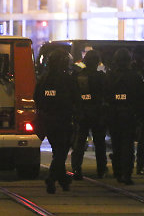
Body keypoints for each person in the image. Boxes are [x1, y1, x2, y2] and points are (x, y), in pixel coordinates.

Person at [34, 49, 80, 194]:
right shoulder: (67, 79)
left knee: (57, 151)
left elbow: (36, 97)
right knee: (61, 152)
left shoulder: (43, 78)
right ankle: (52, 178)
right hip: (63, 120)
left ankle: (63, 179)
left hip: (47, 120)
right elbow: (75, 98)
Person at [105, 48, 144, 185]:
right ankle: (126, 173)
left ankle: (117, 171)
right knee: (127, 145)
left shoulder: (109, 76)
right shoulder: (135, 76)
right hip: (129, 114)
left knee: (116, 144)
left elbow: (105, 96)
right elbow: (141, 97)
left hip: (114, 114)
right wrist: (140, 115)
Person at [71, 50, 107, 180]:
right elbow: (105, 95)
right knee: (99, 143)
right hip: (97, 113)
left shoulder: (77, 76)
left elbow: (73, 96)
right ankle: (101, 169)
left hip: (82, 113)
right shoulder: (101, 77)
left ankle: (76, 168)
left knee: (79, 142)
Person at [131, 45, 144, 175]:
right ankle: (140, 165)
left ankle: (130, 163)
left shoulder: (129, 68)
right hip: (143, 106)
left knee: (128, 137)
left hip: (132, 106)